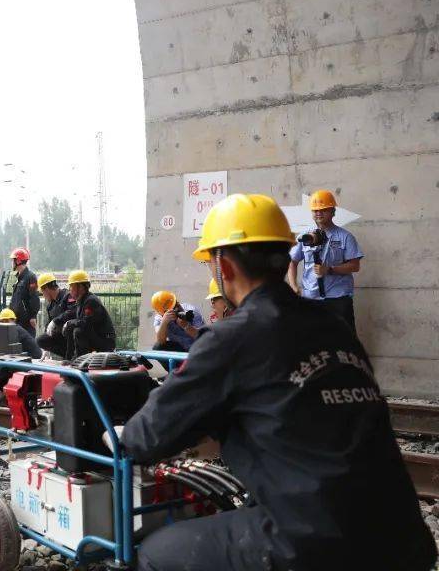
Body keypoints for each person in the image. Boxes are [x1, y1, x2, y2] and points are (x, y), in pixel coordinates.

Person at [119, 194, 435, 571]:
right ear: (286, 258)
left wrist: (119, 434)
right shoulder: (336, 329)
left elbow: (145, 438)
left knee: (156, 553)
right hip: (404, 539)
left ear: (224, 266)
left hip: (320, 546)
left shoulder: (231, 339)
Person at [288, 189, 363, 332]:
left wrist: (330, 269)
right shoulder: (305, 237)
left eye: (323, 210)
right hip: (311, 298)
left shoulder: (345, 237)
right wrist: (293, 286)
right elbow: (292, 261)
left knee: (343, 339)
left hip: (338, 299)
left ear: (333, 212)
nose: (318, 213)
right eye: (315, 210)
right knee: (312, 340)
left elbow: (355, 266)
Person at [38, 270, 115, 359]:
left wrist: (65, 323)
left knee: (77, 330)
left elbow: (85, 322)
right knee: (70, 329)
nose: (70, 289)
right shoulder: (81, 301)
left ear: (80, 287)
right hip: (90, 337)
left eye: (72, 286)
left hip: (104, 341)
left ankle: (79, 359)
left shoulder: (91, 301)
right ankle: (72, 358)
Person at [6, 247, 41, 357]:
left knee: (29, 350)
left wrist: (33, 316)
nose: (12, 263)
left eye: (13, 260)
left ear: (18, 260)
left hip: (26, 322)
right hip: (17, 320)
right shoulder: (20, 278)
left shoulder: (30, 277)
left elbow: (34, 297)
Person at [33, 273, 74, 358]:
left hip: (71, 334)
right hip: (60, 335)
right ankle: (67, 356)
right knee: (41, 340)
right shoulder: (50, 305)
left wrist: (56, 321)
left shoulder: (67, 296)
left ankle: (72, 356)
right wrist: (46, 348)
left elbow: (72, 312)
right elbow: (49, 325)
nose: (43, 295)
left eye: (42, 292)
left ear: (46, 289)